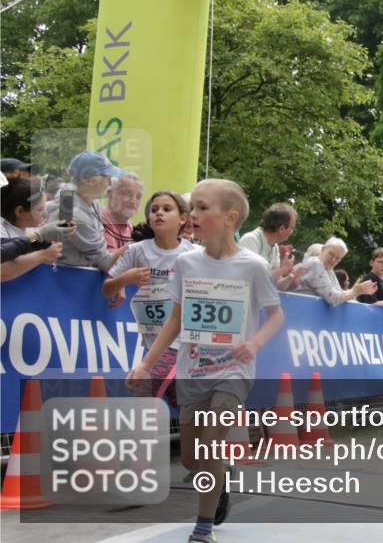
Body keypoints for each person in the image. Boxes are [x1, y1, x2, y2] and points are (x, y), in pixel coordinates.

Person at [126, 178, 284, 543]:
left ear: (230, 218)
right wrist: (146, 364)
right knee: (192, 461)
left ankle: (203, 528)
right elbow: (176, 319)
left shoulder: (253, 265)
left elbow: (276, 316)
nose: (192, 214)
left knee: (211, 444)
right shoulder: (186, 263)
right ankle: (220, 474)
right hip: (192, 369)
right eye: (191, 207)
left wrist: (255, 344)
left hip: (234, 370)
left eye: (201, 208)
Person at [103, 191, 198, 407]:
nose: (159, 214)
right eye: (154, 210)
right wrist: (125, 279)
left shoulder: (194, 254)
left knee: (143, 391)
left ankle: (139, 439)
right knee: (183, 404)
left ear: (183, 219)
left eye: (167, 209)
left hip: (182, 342)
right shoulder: (137, 251)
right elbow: (107, 289)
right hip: (154, 341)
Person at [59, 151, 126, 272]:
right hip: (70, 281)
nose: (110, 182)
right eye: (107, 177)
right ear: (91, 180)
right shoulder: (74, 214)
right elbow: (106, 263)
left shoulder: (88, 200)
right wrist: (133, 245)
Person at [296, 237, 377, 305]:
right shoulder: (316, 263)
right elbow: (333, 298)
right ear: (323, 249)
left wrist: (358, 291)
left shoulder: (328, 268)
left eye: (337, 258)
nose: (333, 259)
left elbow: (339, 292)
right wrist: (355, 291)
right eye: (331, 254)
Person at [238, 202, 299, 290]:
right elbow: (252, 279)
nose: (292, 232)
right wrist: (284, 269)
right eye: (292, 228)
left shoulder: (275, 247)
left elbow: (277, 285)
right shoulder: (251, 240)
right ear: (281, 228)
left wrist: (291, 277)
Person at [102, 173, 144, 251]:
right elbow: (108, 260)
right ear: (110, 194)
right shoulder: (100, 219)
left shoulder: (131, 226)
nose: (133, 201)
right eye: (127, 193)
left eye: (138, 197)